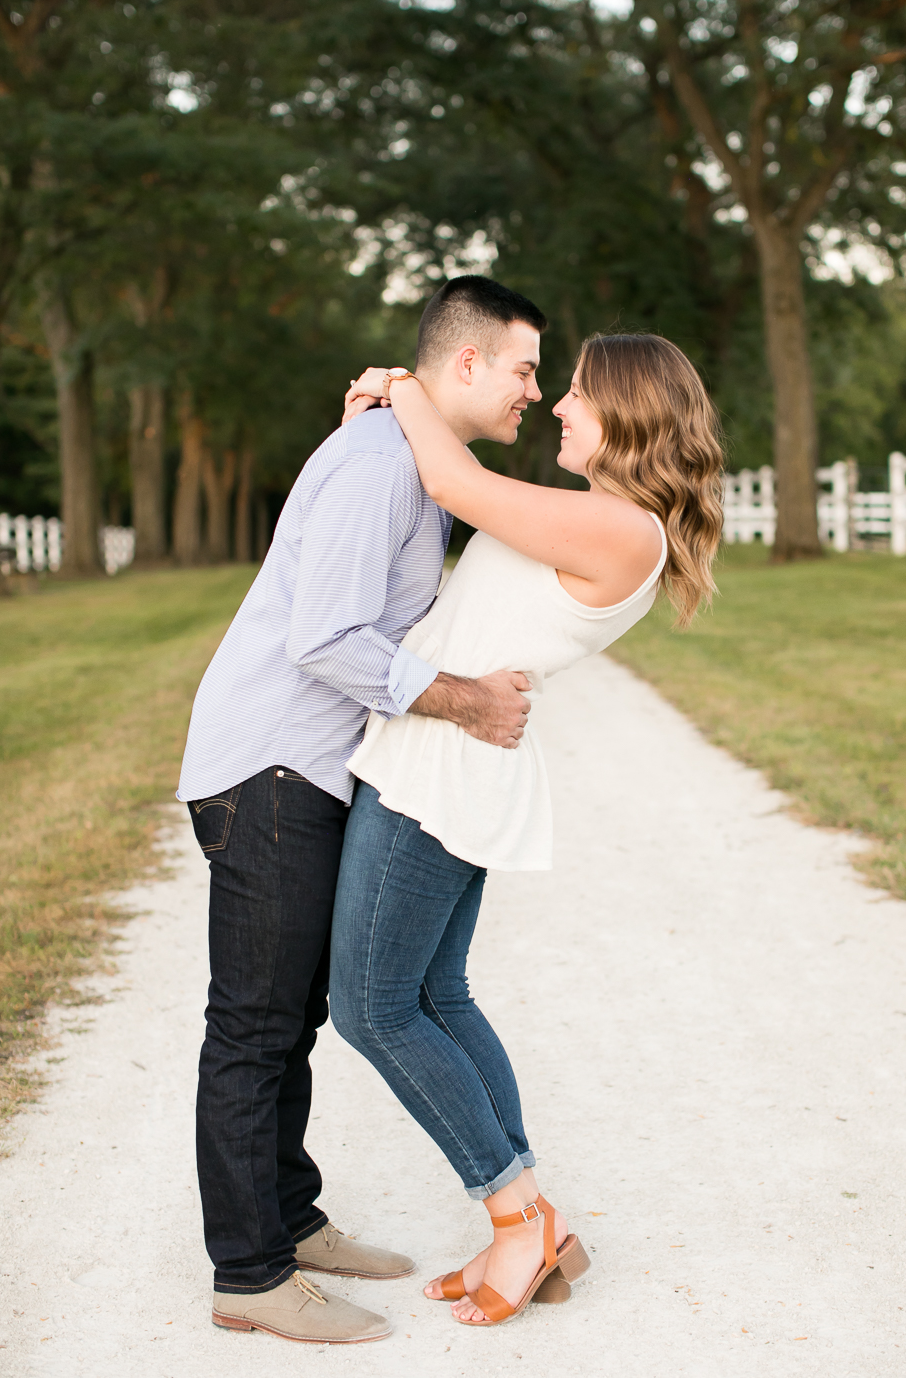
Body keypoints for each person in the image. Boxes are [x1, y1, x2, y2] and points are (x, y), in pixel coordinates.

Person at [175, 276, 550, 1345]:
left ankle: (288, 1223)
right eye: (524, 367)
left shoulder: (415, 461)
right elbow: (327, 639)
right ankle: (248, 1274)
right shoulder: (379, 463)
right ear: (466, 363)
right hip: (272, 769)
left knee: (293, 1013)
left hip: (311, 772)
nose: (535, 388)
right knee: (252, 1024)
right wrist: (466, 703)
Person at [331, 332, 725, 1326]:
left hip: (445, 776)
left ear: (629, 415)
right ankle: (534, 1216)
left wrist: (404, 384)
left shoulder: (625, 531)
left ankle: (515, 1219)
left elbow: (455, 481)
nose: (556, 406)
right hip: (445, 762)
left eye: (580, 394)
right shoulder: (599, 517)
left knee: (372, 1009)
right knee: (434, 993)